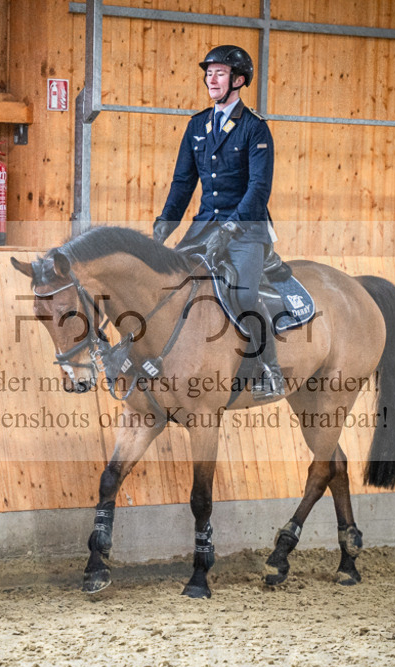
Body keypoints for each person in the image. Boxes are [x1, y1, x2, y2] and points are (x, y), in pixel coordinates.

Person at [152, 44, 283, 401]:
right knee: (168, 285)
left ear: (238, 80)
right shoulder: (197, 125)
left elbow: (259, 188)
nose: (211, 78)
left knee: (243, 293)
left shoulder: (255, 129)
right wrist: (165, 223)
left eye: (220, 72)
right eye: (208, 72)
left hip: (246, 230)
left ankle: (267, 368)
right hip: (204, 225)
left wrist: (232, 227)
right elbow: (183, 182)